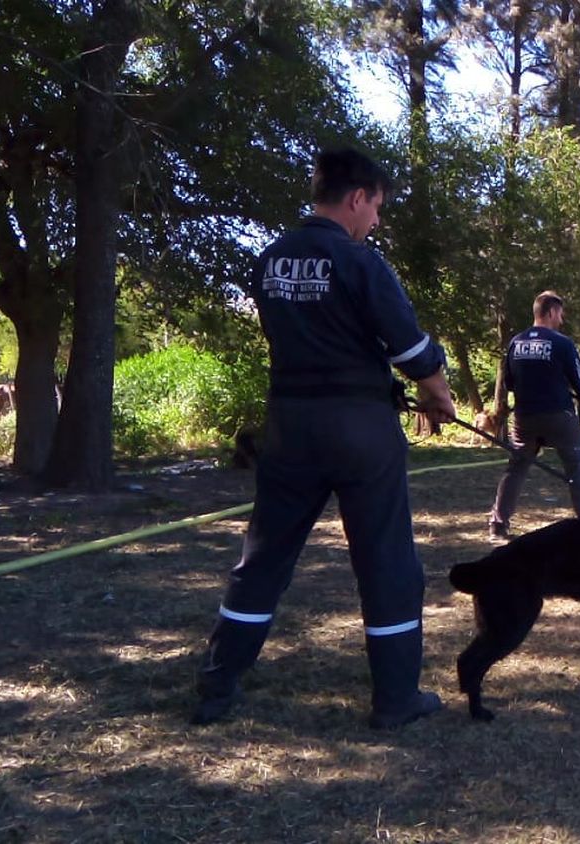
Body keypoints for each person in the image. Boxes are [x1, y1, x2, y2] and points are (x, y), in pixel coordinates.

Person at [190, 148, 456, 730]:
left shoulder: (271, 260)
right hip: (360, 429)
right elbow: (410, 349)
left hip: (289, 427)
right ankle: (394, 700)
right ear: (357, 197)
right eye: (377, 207)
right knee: (387, 563)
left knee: (262, 558)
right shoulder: (361, 261)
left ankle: (216, 684)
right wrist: (438, 395)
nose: (377, 221)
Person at [488, 291, 580, 541]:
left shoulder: (515, 342)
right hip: (559, 415)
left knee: (516, 468)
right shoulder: (562, 343)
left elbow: (509, 382)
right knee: (576, 467)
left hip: (524, 417)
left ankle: (498, 524)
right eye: (561, 314)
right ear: (552, 312)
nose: (562, 320)